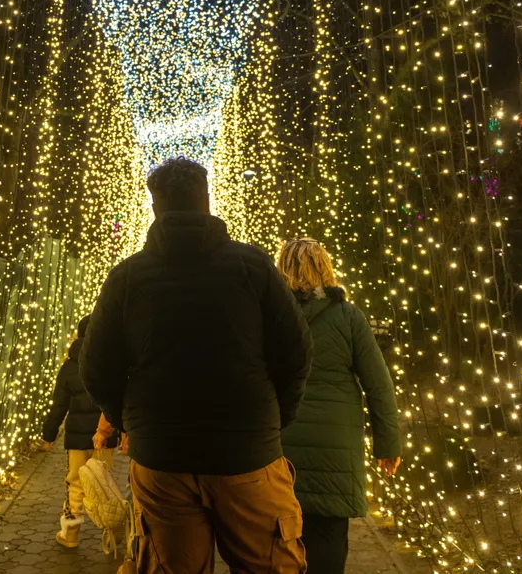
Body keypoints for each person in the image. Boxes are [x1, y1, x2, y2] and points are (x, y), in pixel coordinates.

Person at [80, 156, 314, 574]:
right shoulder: (252, 266)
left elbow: (96, 368)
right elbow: (296, 353)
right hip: (249, 455)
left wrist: (131, 423)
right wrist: (272, 420)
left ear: (155, 207)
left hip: (161, 462)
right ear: (207, 201)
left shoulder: (127, 277)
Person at [275, 238, 402, 573]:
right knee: (328, 539)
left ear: (281, 270)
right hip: (334, 450)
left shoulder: (269, 318)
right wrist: (388, 445)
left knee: (278, 540)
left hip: (279, 446)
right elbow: (378, 385)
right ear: (325, 269)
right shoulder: (348, 317)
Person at [41, 315, 119, 548]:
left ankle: (71, 534)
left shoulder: (69, 366)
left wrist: (48, 434)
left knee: (75, 482)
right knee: (104, 483)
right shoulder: (110, 364)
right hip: (104, 436)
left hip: (76, 438)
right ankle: (112, 534)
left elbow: (59, 405)